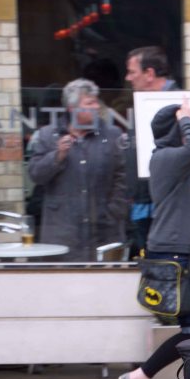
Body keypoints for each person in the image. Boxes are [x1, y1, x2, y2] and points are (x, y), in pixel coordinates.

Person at [119, 98, 190, 379]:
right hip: (177, 257)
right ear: (177, 133)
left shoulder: (189, 164)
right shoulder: (164, 159)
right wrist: (186, 118)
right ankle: (141, 378)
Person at [27, 78, 127, 261]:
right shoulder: (48, 135)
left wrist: (114, 211)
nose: (96, 107)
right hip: (63, 234)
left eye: (96, 101)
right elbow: (36, 175)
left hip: (103, 231)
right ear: (72, 108)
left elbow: (123, 176)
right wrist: (57, 156)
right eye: (90, 103)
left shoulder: (112, 135)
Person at [124, 46, 179, 255]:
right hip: (143, 202)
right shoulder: (143, 103)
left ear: (149, 74)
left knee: (166, 270)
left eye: (132, 72)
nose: (128, 78)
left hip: (167, 206)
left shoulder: (178, 104)